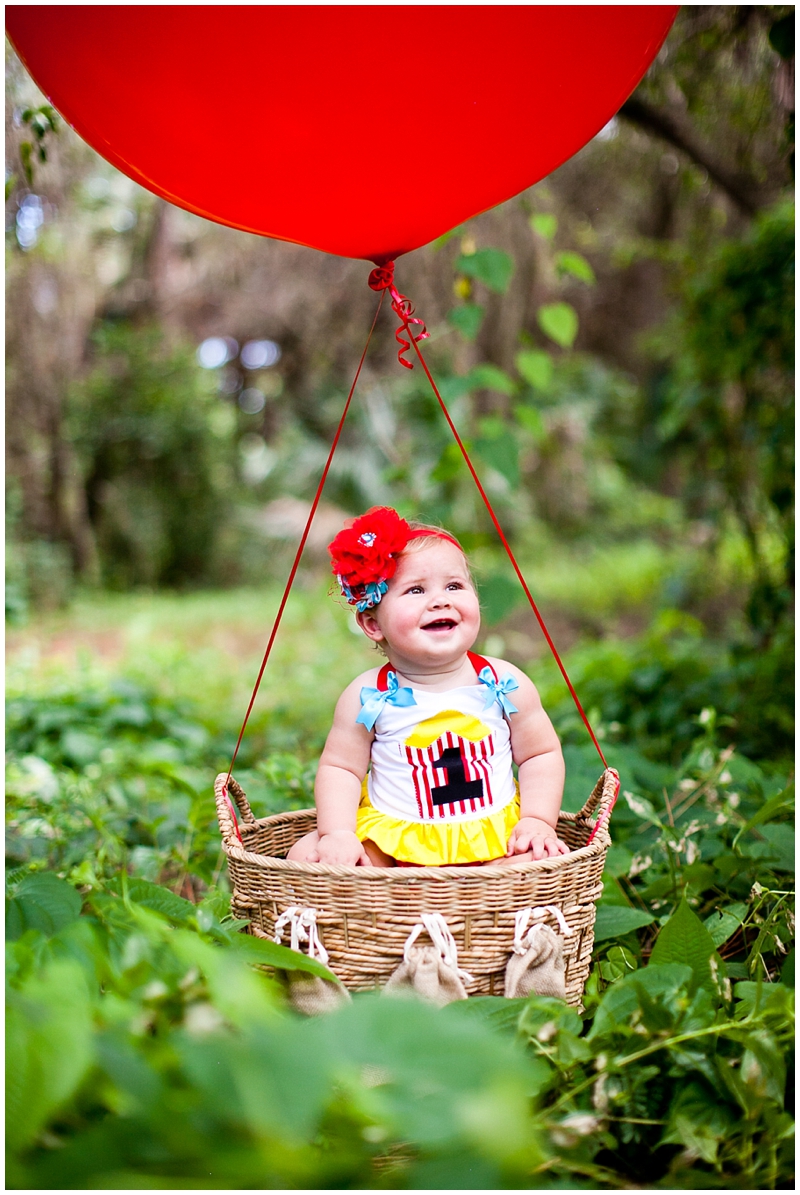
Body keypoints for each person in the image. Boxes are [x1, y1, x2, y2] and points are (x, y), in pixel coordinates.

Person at [287, 506, 567, 868]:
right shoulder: (368, 695)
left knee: (538, 861)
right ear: (373, 624)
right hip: (395, 839)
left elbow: (539, 754)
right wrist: (338, 833)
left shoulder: (504, 683)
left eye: (454, 585)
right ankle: (388, 912)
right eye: (416, 590)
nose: (440, 600)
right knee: (306, 855)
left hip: (491, 837)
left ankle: (482, 903)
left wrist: (537, 821)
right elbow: (341, 768)